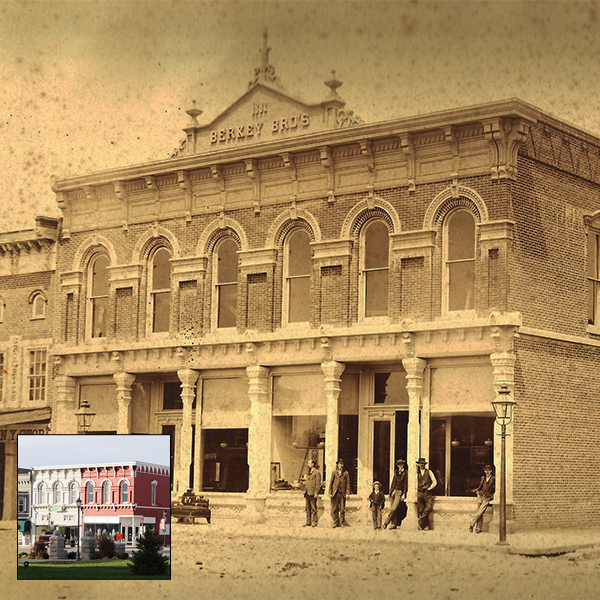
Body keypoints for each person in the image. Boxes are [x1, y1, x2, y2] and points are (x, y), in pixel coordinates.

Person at [469, 464, 495, 533]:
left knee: (479, 512)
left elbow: (495, 489)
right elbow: (480, 487)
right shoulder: (483, 478)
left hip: (487, 497)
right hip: (480, 495)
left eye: (488, 470)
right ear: (484, 471)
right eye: (486, 470)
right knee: (480, 512)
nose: (487, 472)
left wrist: (492, 495)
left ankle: (472, 524)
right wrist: (476, 491)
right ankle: (478, 528)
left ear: (491, 471)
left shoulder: (493, 479)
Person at [383, 458, 408, 529]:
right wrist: (391, 491)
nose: (400, 466)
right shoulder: (396, 472)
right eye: (399, 465)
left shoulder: (405, 473)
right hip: (394, 491)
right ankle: (393, 524)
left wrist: (404, 493)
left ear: (403, 465)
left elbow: (406, 484)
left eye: (401, 464)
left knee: (394, 508)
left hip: (399, 492)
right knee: (393, 508)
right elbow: (393, 482)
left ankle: (386, 522)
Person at [416, 457, 437, 530]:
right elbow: (413, 483)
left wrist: (429, 488)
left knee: (429, 508)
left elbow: (435, 482)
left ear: (425, 465)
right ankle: (426, 526)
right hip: (419, 493)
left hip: (427, 493)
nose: (422, 465)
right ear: (418, 465)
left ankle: (420, 521)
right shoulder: (416, 473)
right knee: (421, 510)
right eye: (420, 464)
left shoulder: (429, 472)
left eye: (423, 464)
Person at [328, 458, 351, 527]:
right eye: (340, 464)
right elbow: (331, 483)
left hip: (342, 494)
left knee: (342, 509)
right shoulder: (334, 473)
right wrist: (330, 492)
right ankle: (336, 522)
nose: (341, 466)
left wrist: (347, 493)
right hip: (335, 493)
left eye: (342, 464)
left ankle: (342, 522)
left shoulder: (346, 473)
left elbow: (348, 484)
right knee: (334, 509)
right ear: (337, 465)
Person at [303, 459, 321, 527]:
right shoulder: (308, 472)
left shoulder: (316, 472)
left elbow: (318, 483)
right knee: (307, 508)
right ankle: (308, 522)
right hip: (307, 492)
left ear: (313, 464)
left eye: (309, 463)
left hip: (313, 492)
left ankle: (314, 522)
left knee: (314, 508)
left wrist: (316, 492)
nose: (308, 465)